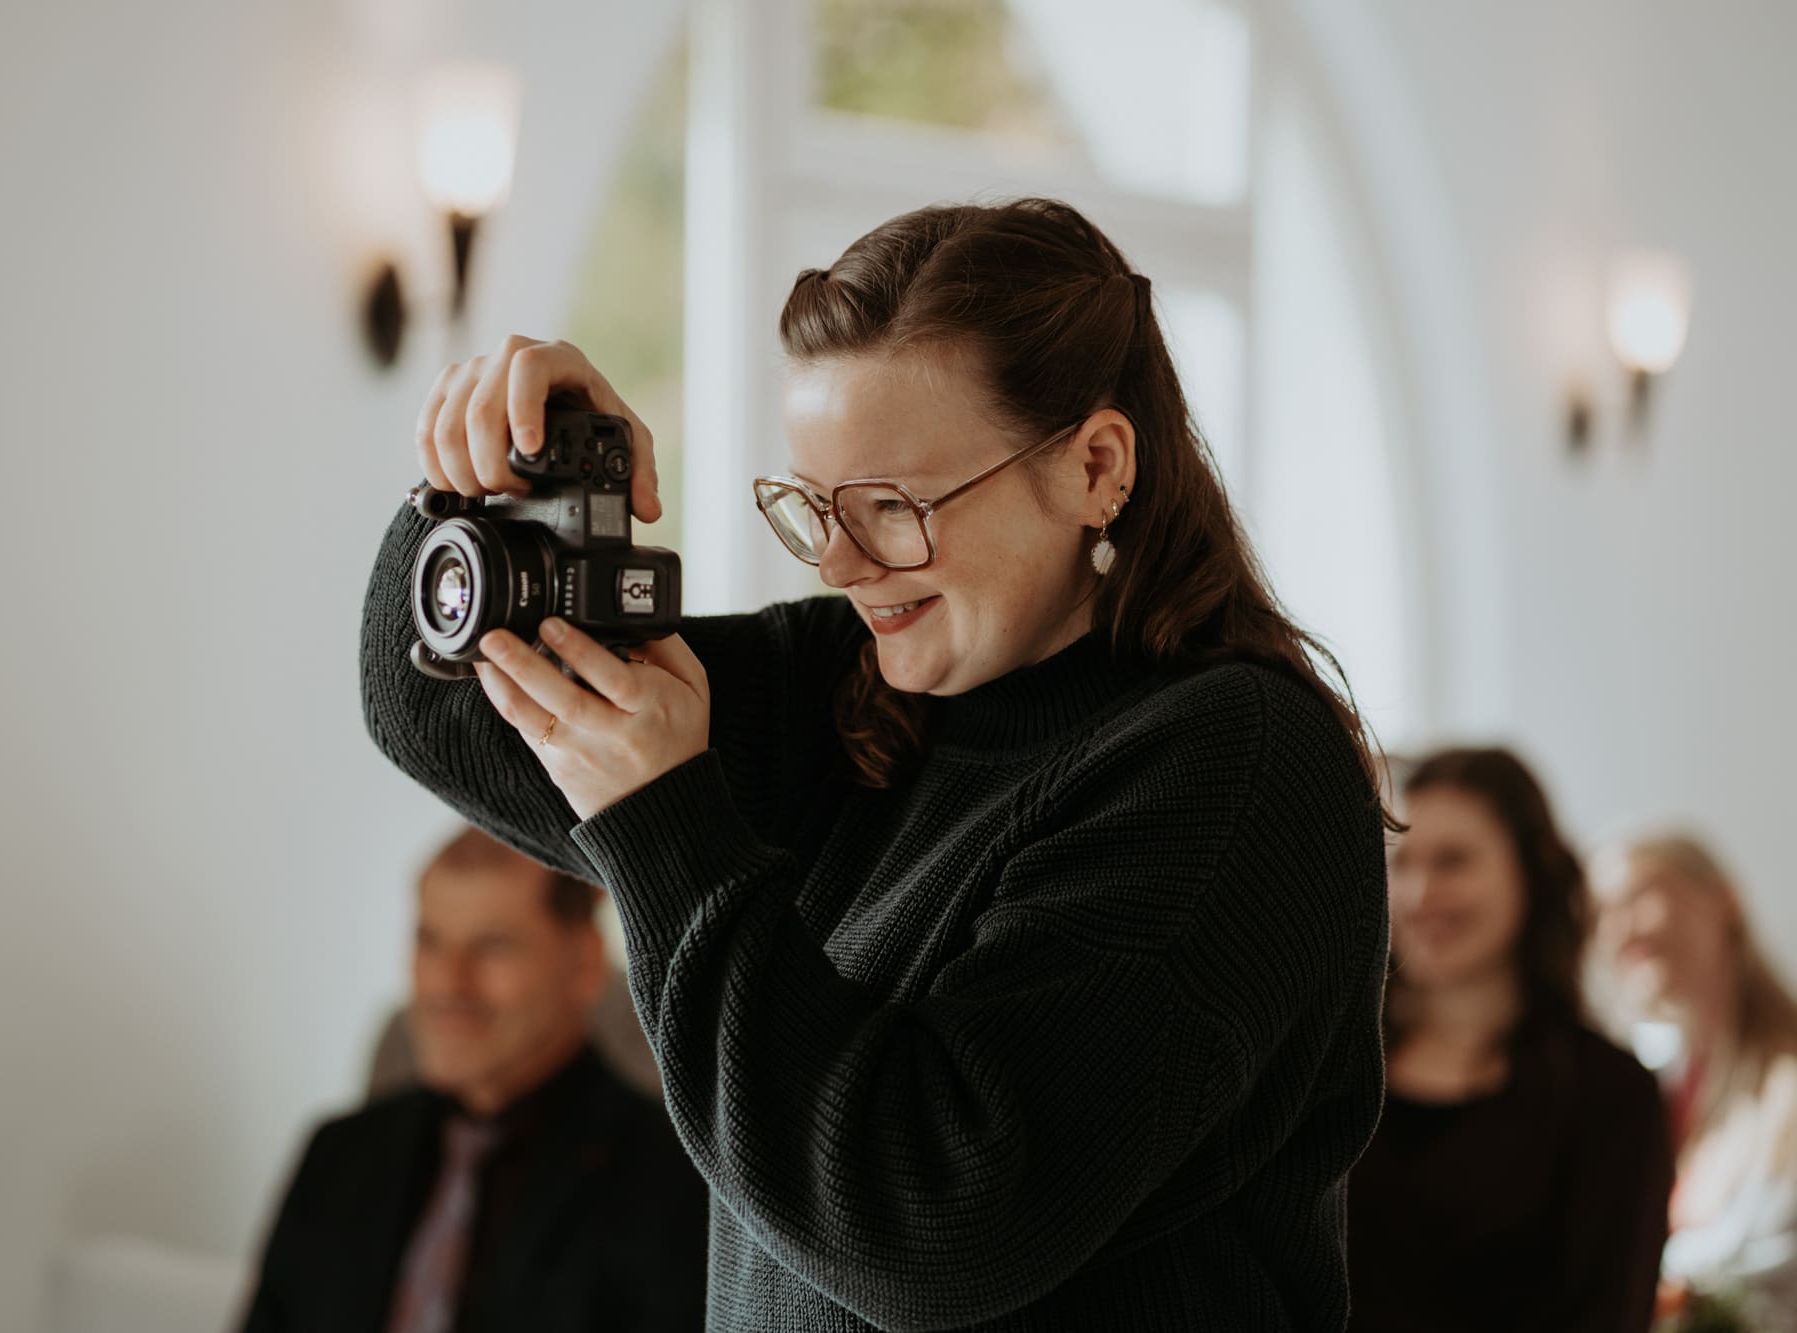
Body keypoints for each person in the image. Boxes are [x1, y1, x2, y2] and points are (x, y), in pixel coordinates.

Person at [362, 198, 1392, 1328]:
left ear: (1095, 465)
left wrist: (664, 818)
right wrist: (497, 483)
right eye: (816, 507)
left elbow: (928, 1214)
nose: (844, 565)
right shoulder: (856, 683)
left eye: (894, 507)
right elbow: (436, 712)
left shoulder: (1230, 763)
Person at [238, 827, 707, 1333]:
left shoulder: (674, 1187)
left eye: (492, 947)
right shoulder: (337, 1155)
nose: (448, 984)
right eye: (430, 941)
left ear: (585, 965)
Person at [1347, 747, 1671, 1332]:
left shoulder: (1611, 1095)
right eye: (1402, 863)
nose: (1421, 894)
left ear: (1532, 870)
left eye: (1453, 862)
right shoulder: (1336, 1074)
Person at [1592, 833, 1797, 1327]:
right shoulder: (1641, 1083)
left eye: (1640, 896)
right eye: (1602, 911)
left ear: (1724, 899)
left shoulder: (1785, 1080)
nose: (1619, 928)